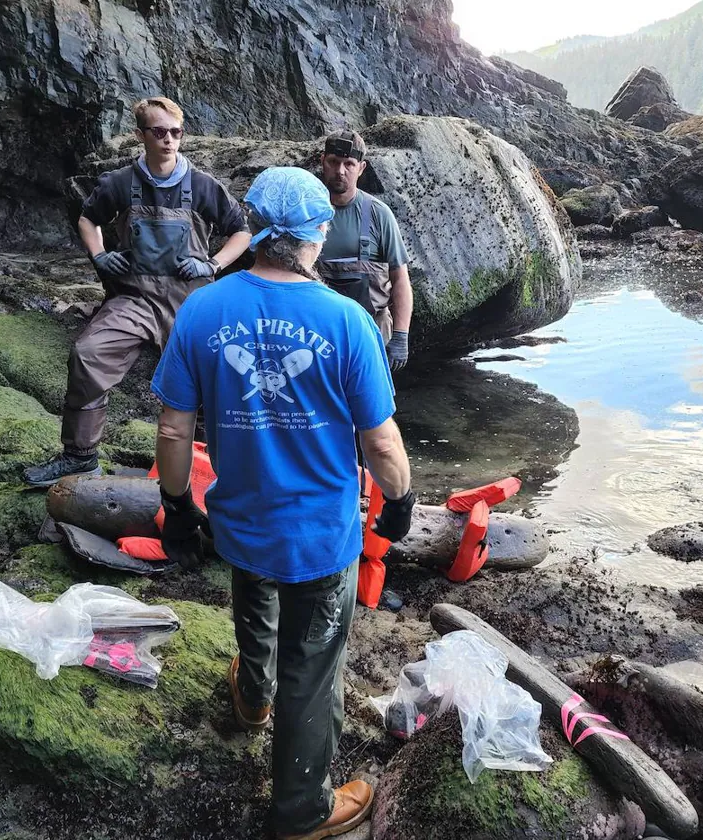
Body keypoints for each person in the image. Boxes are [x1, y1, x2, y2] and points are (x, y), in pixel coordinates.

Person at [150, 166, 416, 840]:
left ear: (257, 228)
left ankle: (253, 698)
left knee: (254, 597)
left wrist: (178, 506)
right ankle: (302, 809)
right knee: (316, 659)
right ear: (312, 236)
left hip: (241, 518)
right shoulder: (347, 320)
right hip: (321, 531)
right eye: (324, 224)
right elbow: (380, 439)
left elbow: (174, 428)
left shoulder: (203, 310)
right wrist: (402, 500)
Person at [24, 96, 251, 486]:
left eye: (176, 132)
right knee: (88, 354)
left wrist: (212, 264)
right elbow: (88, 219)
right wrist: (99, 256)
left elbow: (242, 231)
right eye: (159, 132)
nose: (168, 140)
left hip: (192, 301)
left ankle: (210, 470)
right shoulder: (119, 183)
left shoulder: (201, 185)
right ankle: (80, 456)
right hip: (135, 298)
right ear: (140, 135)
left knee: (212, 379)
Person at [316, 130, 414, 371]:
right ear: (322, 162)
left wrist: (401, 335)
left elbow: (400, 278)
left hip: (371, 334)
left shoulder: (378, 214)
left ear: (361, 168)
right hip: (315, 333)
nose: (340, 171)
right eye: (333, 162)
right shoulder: (306, 211)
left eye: (348, 164)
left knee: (372, 408)